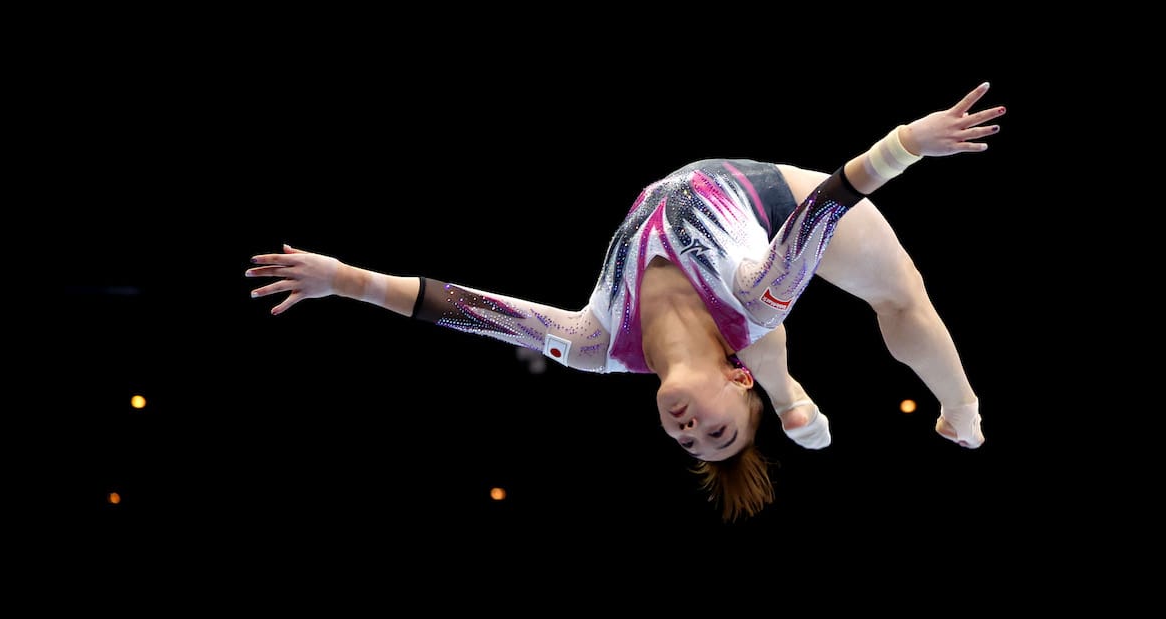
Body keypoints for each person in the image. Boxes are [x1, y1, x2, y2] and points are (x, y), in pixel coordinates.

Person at [245, 83, 1003, 520]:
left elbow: (457, 307)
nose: (687, 431)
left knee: (828, 324)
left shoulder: (594, 345)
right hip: (772, 199)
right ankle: (959, 410)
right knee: (903, 301)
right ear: (732, 387)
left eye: (689, 444)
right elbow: (830, 203)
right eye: (714, 431)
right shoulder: (761, 294)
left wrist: (342, 279)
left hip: (736, 283)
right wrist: (911, 140)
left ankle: (804, 397)